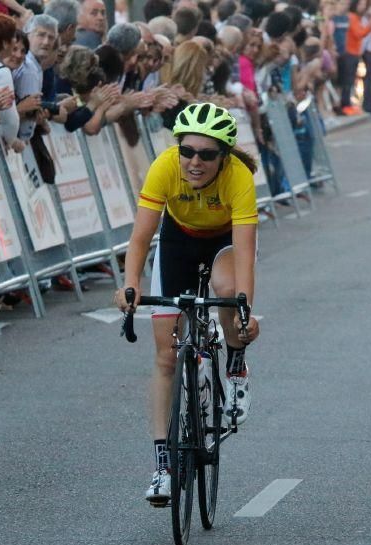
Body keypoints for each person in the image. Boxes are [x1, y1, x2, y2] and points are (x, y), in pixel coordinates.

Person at [114, 102, 260, 504]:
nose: (195, 162)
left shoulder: (239, 177)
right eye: (188, 151)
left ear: (223, 157)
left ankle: (234, 365)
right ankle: (162, 466)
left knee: (226, 285)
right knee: (165, 355)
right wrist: (129, 285)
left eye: (207, 155)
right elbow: (141, 238)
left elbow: (246, 254)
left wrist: (245, 311)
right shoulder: (164, 167)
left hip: (223, 242)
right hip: (178, 241)